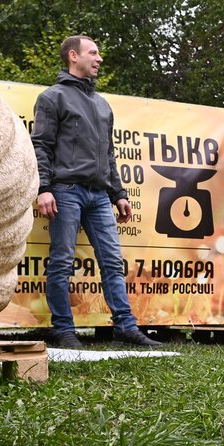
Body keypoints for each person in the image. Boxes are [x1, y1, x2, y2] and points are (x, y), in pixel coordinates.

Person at [31, 35, 162, 348]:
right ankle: (63, 330)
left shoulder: (102, 105)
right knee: (63, 261)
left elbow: (109, 154)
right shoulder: (52, 98)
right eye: (93, 52)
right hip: (65, 191)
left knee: (113, 262)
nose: (99, 58)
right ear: (73, 56)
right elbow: (41, 145)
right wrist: (44, 187)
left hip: (100, 196)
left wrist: (119, 193)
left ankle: (125, 328)